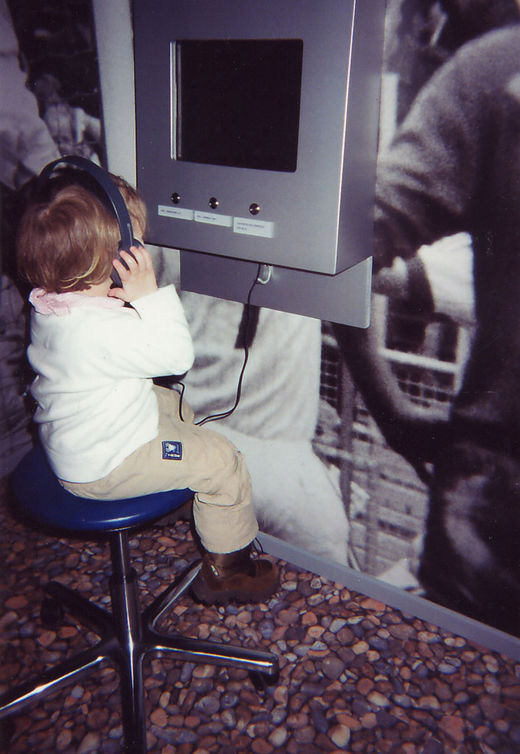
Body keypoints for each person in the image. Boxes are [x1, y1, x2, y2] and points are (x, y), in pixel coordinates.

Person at [16, 169, 278, 606]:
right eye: (132, 243)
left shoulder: (52, 302)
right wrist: (148, 294)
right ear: (110, 256)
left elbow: (107, 344)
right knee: (222, 459)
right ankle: (228, 573)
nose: (140, 248)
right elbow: (176, 358)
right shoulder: (100, 329)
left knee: (171, 405)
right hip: (106, 465)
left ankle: (176, 481)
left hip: (79, 438)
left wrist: (123, 302)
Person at [337, 22, 520, 634]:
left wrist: (391, 414)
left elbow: (344, 249)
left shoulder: (492, 72)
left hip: (487, 511)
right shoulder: (494, 75)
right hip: (490, 513)